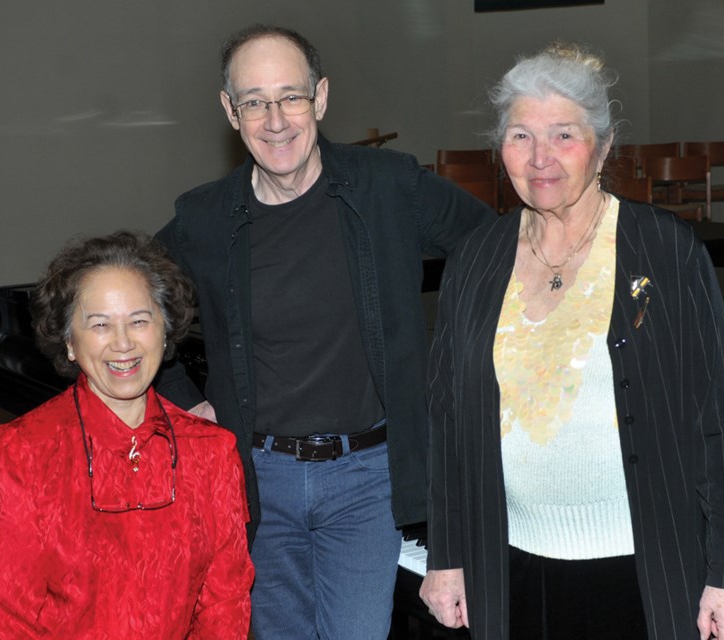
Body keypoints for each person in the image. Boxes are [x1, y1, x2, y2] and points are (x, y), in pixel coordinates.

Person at [155, 24, 494, 640]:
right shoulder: (205, 217)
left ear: (323, 98)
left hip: (366, 479)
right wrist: (180, 394)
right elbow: (137, 297)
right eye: (254, 100)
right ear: (230, 111)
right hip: (256, 483)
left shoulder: (387, 185)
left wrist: (456, 366)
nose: (276, 119)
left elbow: (497, 250)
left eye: (292, 96)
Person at [419, 44, 724, 640]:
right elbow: (447, 419)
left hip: (643, 571)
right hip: (507, 566)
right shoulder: (476, 259)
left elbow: (716, 419)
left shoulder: (663, 251)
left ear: (604, 144)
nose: (540, 158)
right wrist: (446, 556)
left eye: (563, 135)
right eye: (520, 136)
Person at [0, 231, 254, 639]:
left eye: (139, 320)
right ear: (69, 342)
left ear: (166, 331)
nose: (123, 343)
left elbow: (224, 606)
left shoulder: (212, 452)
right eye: (100, 324)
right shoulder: (17, 456)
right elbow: (3, 624)